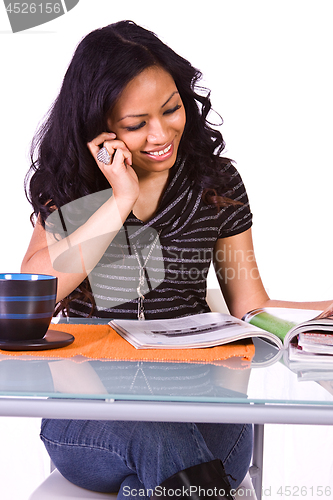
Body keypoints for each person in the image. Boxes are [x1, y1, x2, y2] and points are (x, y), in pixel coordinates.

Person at [21, 20, 333, 499]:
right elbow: (34, 292)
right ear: (100, 128)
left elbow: (249, 306)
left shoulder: (215, 182)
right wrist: (119, 199)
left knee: (148, 485)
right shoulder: (71, 187)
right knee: (157, 441)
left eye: (171, 109)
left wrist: (315, 314)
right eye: (136, 124)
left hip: (202, 406)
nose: (161, 132)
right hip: (89, 415)